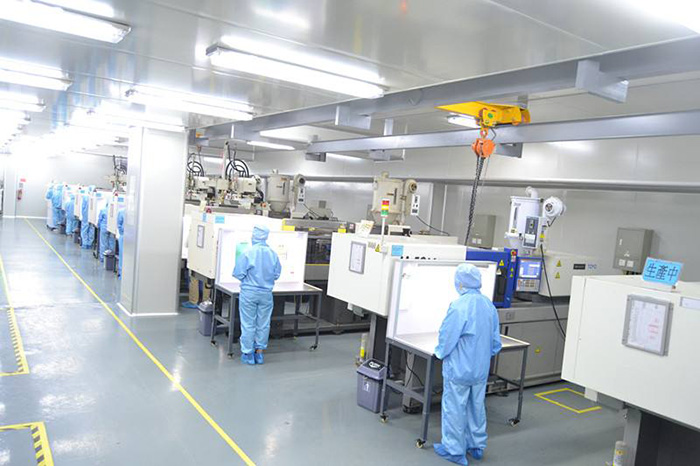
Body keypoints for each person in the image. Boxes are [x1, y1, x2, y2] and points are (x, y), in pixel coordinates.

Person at [434, 263, 502, 466]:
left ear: (460, 283)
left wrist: (440, 352)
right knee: (477, 407)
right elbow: (495, 342)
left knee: (455, 408)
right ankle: (477, 446)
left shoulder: (458, 306)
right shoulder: (488, 305)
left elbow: (447, 338)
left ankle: (454, 450)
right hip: (480, 369)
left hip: (459, 369)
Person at [233, 225, 281, 365]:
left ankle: (248, 354)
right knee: (263, 324)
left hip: (249, 293)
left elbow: (238, 273)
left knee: (248, 324)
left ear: (253, 236)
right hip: (266, 294)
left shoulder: (248, 253)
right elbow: (276, 274)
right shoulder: (273, 254)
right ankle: (259, 353)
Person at [117, 208, 125, 277]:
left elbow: (119, 225)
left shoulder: (122, 212)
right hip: (124, 236)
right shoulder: (122, 211)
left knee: (122, 255)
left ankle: (121, 273)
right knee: (122, 255)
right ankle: (121, 273)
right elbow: (119, 225)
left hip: (124, 235)